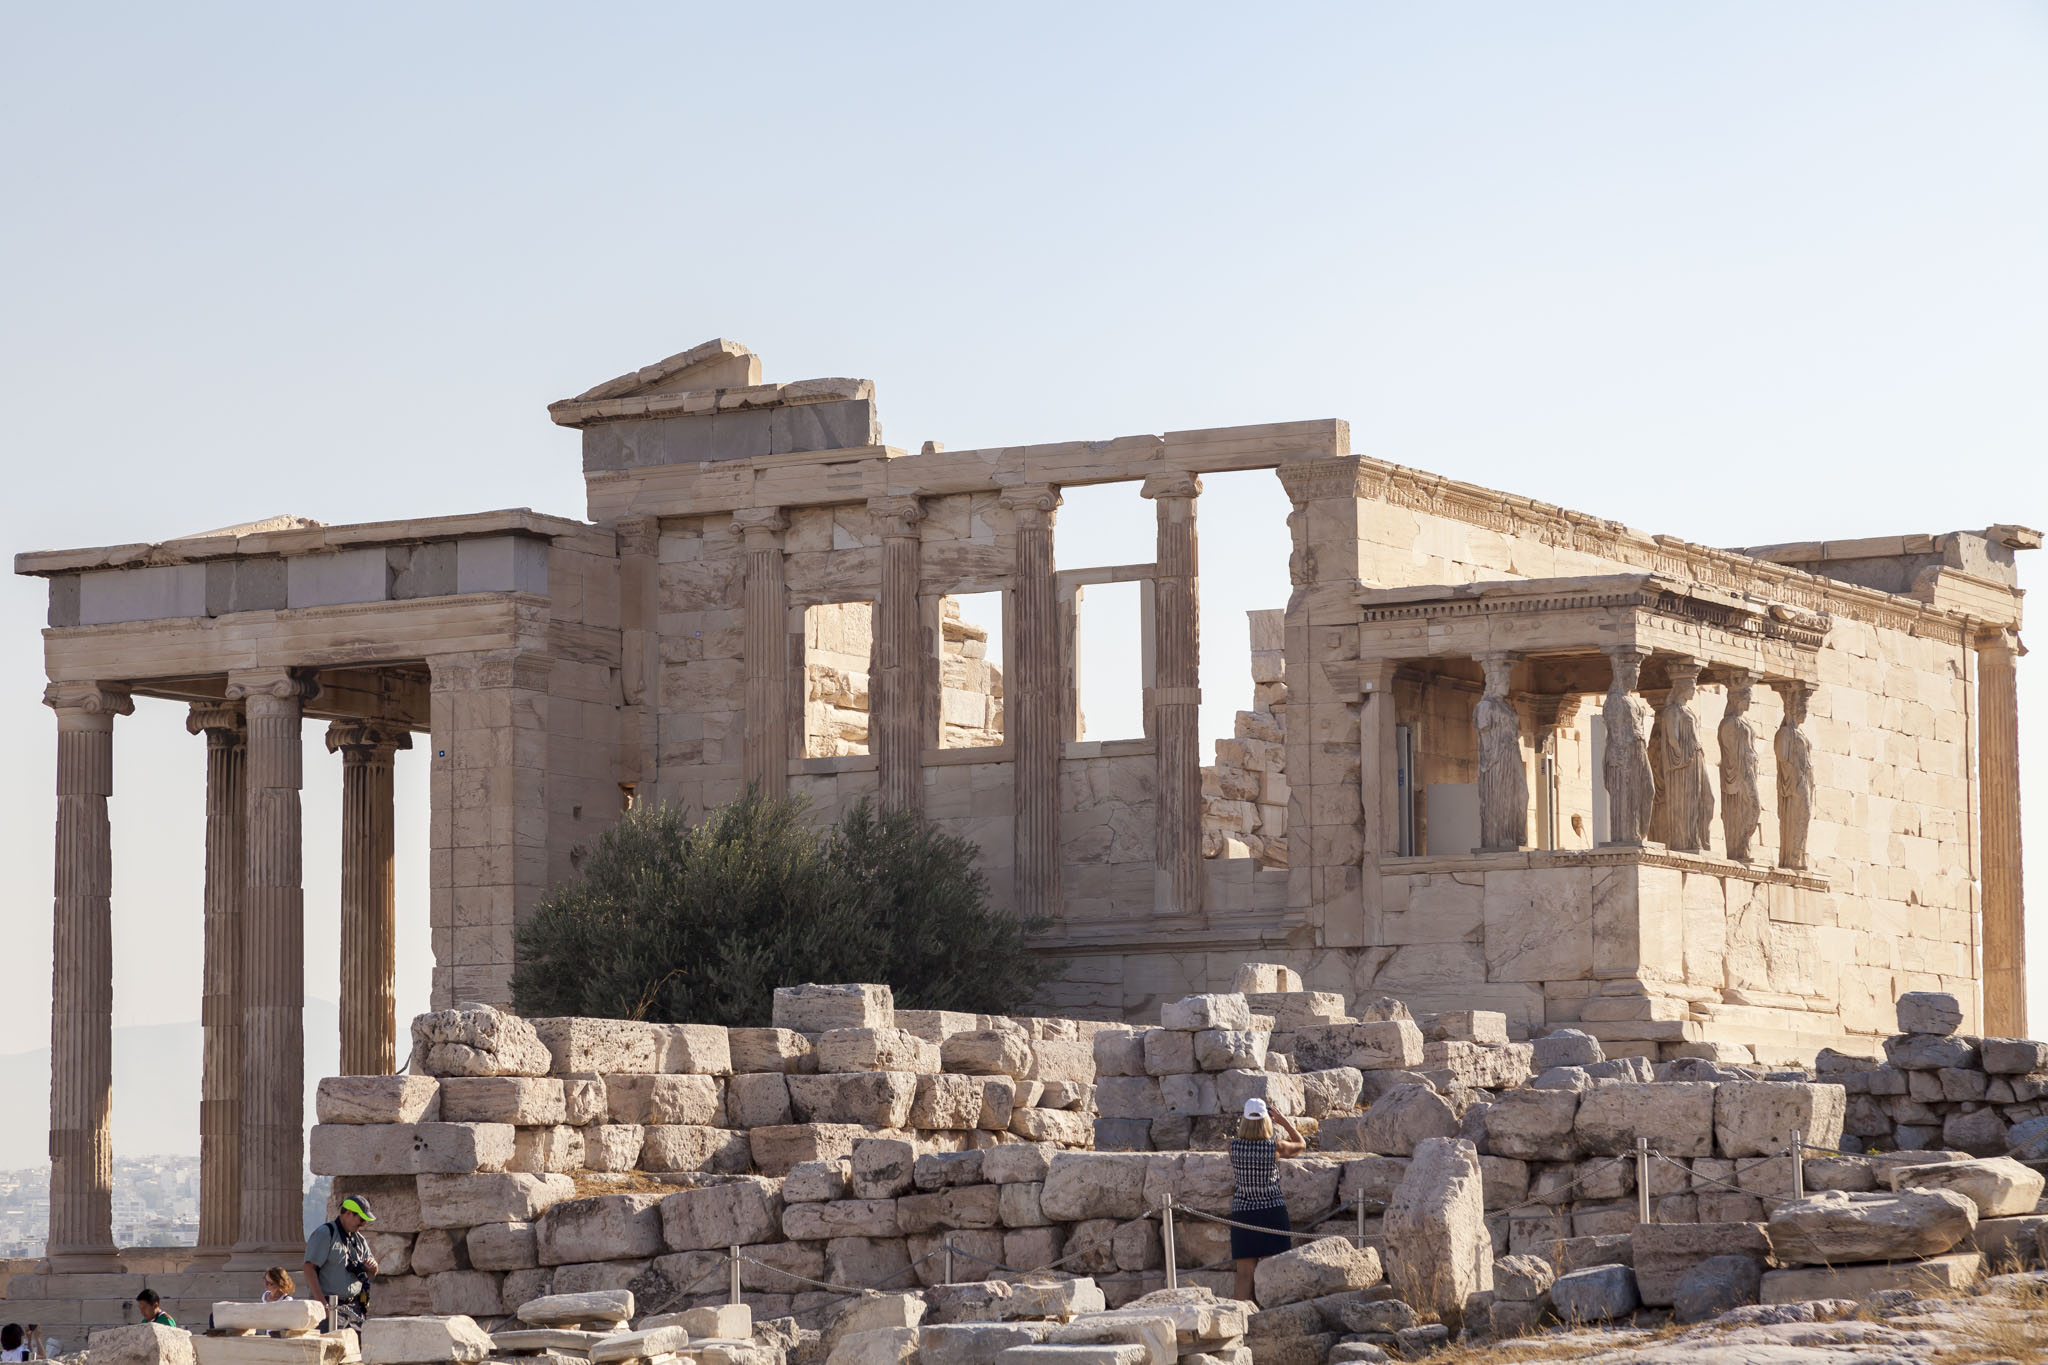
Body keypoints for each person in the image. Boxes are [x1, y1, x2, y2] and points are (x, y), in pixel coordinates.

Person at [1228, 1097, 1306, 1302]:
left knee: (1244, 1274)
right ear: (1267, 1120)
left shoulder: (1232, 1147)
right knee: (1273, 1271)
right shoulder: (1275, 1147)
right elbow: (1301, 1144)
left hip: (1243, 1213)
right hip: (1271, 1212)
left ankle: (1240, 1319)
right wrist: (1284, 1121)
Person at [303, 1194, 380, 1330]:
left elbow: (372, 1274)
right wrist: (321, 1302)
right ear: (349, 1213)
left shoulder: (359, 1240)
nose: (363, 1224)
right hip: (330, 1307)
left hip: (354, 1309)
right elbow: (309, 1268)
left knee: (355, 1350)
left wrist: (373, 1268)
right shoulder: (325, 1234)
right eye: (361, 1219)